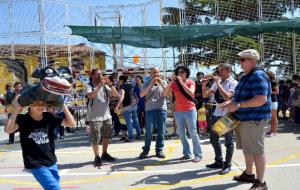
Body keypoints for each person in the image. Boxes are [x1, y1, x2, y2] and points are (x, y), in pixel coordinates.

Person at [222, 49, 271, 190]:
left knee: (257, 150)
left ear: (253, 61)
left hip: (255, 119)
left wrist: (237, 105)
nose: (240, 63)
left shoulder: (258, 75)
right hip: (244, 118)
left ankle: (261, 182)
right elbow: (239, 96)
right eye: (240, 60)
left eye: (243, 60)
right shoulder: (245, 76)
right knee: (248, 149)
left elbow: (261, 99)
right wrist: (230, 102)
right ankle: (249, 174)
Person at [4, 96, 75, 190]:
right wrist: (16, 109)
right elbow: (8, 130)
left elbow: (71, 123)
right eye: (37, 103)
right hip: (36, 163)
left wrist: (63, 106)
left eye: (43, 103)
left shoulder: (49, 116)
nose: (41, 106)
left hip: (51, 161)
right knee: (55, 188)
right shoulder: (23, 119)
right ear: (30, 104)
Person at [202, 63, 238, 175]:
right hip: (217, 113)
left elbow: (227, 96)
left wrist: (218, 83)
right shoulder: (218, 82)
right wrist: (204, 85)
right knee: (213, 138)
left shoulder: (234, 83)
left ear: (228, 71)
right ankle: (218, 161)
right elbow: (205, 95)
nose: (218, 73)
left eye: (220, 70)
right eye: (218, 71)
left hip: (228, 115)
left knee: (228, 141)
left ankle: (227, 165)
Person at [163, 65, 203, 163]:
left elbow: (191, 93)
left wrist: (181, 82)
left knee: (193, 133)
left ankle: (198, 155)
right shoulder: (174, 84)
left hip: (190, 110)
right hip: (178, 111)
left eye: (182, 72)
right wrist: (171, 82)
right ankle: (187, 154)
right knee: (181, 134)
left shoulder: (190, 82)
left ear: (186, 73)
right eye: (178, 72)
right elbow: (164, 94)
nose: (180, 74)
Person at [86, 68, 119, 166]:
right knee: (95, 138)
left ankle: (104, 153)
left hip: (106, 115)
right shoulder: (89, 86)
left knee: (106, 136)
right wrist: (100, 85)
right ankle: (97, 156)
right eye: (97, 74)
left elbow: (116, 95)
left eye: (100, 74)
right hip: (94, 117)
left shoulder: (105, 86)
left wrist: (110, 84)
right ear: (92, 75)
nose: (100, 76)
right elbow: (90, 96)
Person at [138, 67, 167, 159]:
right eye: (154, 73)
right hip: (150, 109)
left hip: (161, 109)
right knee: (149, 132)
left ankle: (159, 150)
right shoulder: (146, 83)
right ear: (150, 74)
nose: (156, 75)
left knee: (161, 131)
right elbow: (142, 95)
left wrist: (161, 83)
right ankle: (146, 150)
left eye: (157, 72)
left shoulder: (164, 82)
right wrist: (151, 84)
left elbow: (167, 94)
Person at [115, 75, 141, 142]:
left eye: (119, 80)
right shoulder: (130, 85)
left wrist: (117, 106)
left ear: (121, 80)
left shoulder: (122, 87)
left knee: (129, 122)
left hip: (127, 106)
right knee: (135, 120)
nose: (118, 82)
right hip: (134, 105)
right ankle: (139, 134)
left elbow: (122, 96)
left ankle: (131, 137)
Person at [265, 71, 279, 137]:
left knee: (274, 117)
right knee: (271, 117)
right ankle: (271, 131)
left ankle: (274, 132)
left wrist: (269, 92)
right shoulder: (269, 81)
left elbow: (277, 91)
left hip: (274, 101)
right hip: (270, 101)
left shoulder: (273, 82)